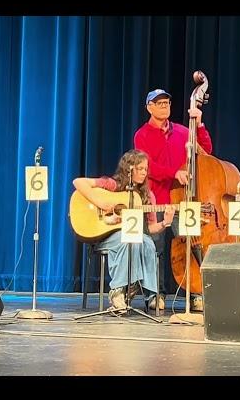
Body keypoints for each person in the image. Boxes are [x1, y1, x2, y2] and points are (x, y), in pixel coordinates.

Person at [134, 88, 213, 311]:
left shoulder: (182, 130)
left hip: (183, 198)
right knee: (155, 247)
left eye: (167, 102)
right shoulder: (142, 135)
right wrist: (173, 173)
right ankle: (154, 293)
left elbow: (206, 151)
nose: (164, 106)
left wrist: (199, 124)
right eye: (158, 103)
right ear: (149, 107)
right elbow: (147, 165)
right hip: (157, 198)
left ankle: (195, 293)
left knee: (190, 244)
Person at [73, 149, 175, 311]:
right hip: (105, 235)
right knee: (128, 239)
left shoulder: (147, 196)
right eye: (139, 168)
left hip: (133, 237)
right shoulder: (113, 185)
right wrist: (102, 204)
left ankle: (148, 293)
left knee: (146, 242)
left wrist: (165, 223)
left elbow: (150, 227)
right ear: (129, 169)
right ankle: (118, 291)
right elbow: (78, 182)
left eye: (145, 169)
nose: (143, 172)